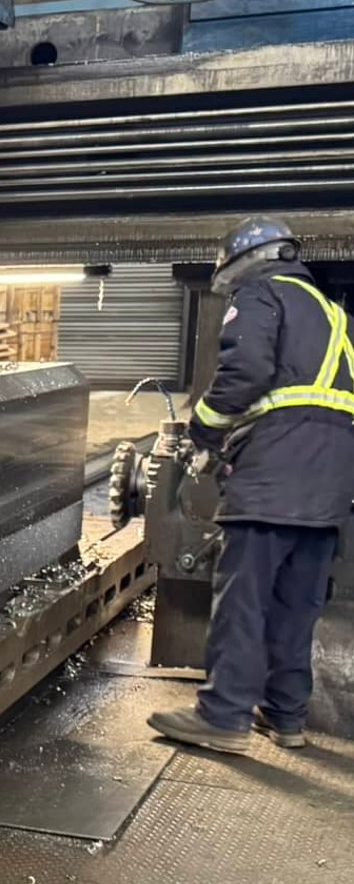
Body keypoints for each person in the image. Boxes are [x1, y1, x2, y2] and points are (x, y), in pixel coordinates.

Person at [148, 216, 354, 755]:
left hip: (272, 477)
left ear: (247, 261)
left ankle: (223, 717)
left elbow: (246, 372)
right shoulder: (338, 316)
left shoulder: (264, 294)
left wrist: (202, 432)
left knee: (244, 600)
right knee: (296, 605)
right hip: (330, 486)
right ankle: (285, 717)